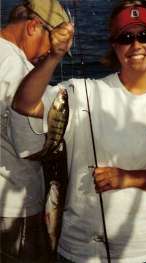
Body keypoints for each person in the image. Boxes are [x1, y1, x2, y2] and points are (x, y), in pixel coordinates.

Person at [13, 0, 146, 262]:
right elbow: (25, 104)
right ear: (114, 45)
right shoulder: (80, 92)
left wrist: (129, 178)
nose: (136, 45)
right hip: (80, 249)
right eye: (126, 37)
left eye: (145, 35)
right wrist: (53, 57)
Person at [0, 0, 70, 262]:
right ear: (32, 27)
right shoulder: (21, 70)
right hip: (13, 211)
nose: (45, 54)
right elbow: (30, 148)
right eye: (49, 42)